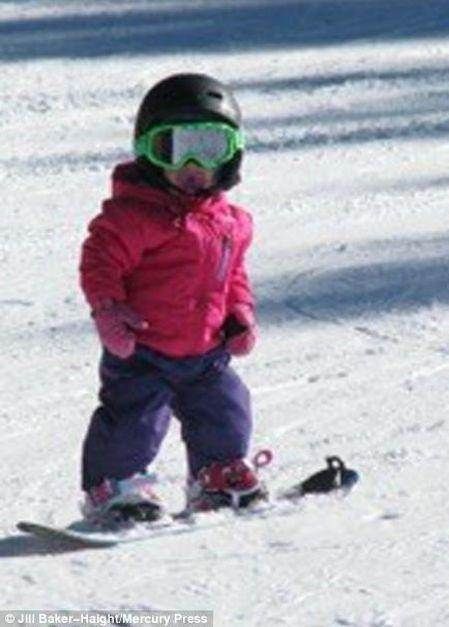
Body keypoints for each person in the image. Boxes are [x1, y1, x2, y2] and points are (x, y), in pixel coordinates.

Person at [79, 73, 270, 524]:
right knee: (134, 419)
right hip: (142, 349)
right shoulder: (132, 217)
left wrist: (239, 311)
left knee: (226, 408)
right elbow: (99, 263)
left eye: (208, 149)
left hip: (205, 350)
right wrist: (108, 311)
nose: (190, 164)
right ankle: (116, 486)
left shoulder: (232, 222)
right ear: (147, 151)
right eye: (173, 148)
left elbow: (232, 273)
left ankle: (215, 474)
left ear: (231, 155)